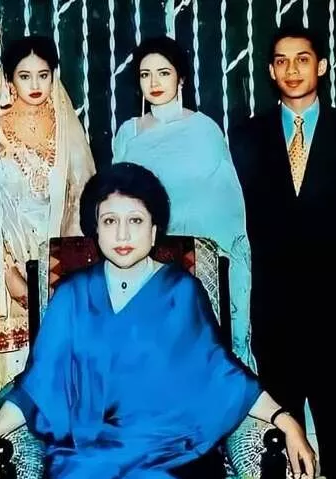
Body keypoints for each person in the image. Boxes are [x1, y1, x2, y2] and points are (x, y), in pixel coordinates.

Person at [0, 163, 315, 479]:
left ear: (153, 230)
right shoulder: (71, 296)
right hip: (87, 459)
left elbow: (219, 374)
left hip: (171, 457)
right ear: (95, 230)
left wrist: (285, 420)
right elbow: (41, 383)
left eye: (135, 221)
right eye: (110, 221)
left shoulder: (182, 293)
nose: (122, 235)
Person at [229, 25, 336, 479]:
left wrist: (327, 258)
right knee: (280, 438)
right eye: (282, 61)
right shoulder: (245, 138)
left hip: (334, 305)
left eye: (302, 59)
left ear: (322, 66)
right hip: (274, 309)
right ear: (271, 71)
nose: (292, 70)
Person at [0, 35, 95, 417]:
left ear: (54, 77)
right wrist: (8, 274)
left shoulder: (67, 132)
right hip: (3, 276)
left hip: (59, 273)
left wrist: (59, 271)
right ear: (9, 80)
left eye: (43, 75)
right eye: (25, 76)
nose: (35, 85)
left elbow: (83, 200)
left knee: (62, 393)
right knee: (7, 395)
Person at [112, 36, 253, 370]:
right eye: (145, 74)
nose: (154, 82)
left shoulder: (204, 130)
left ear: (181, 78)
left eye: (163, 72)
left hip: (198, 267)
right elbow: (115, 202)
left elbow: (226, 209)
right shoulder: (128, 134)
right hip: (141, 266)